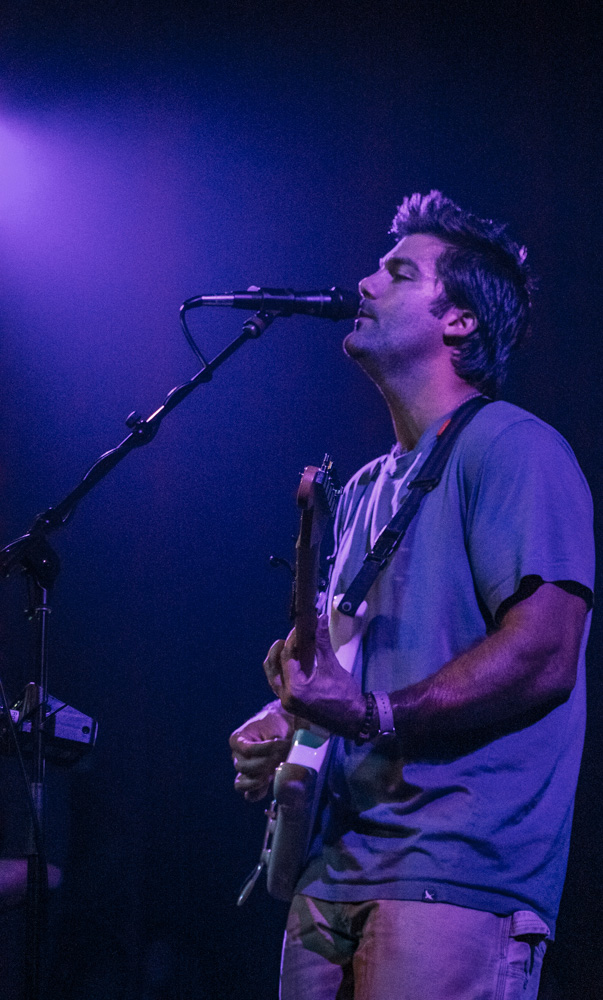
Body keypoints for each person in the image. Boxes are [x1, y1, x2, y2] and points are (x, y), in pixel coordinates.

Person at [229, 191, 594, 1000]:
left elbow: (544, 651)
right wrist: (282, 720)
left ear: (457, 321)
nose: (363, 283)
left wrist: (371, 716)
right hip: (330, 872)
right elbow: (347, 668)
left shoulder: (516, 447)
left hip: (452, 871)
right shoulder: (362, 487)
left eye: (395, 273)